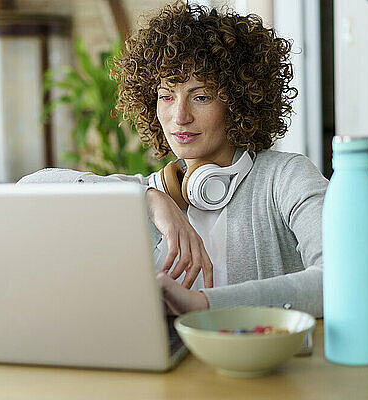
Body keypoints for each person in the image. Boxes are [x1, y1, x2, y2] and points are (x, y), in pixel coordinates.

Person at [18, 1, 327, 317]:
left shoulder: (286, 178)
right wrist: (148, 199)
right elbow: (27, 192)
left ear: (239, 102)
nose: (180, 117)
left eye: (201, 96)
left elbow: (338, 279)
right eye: (166, 96)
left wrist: (205, 305)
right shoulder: (150, 194)